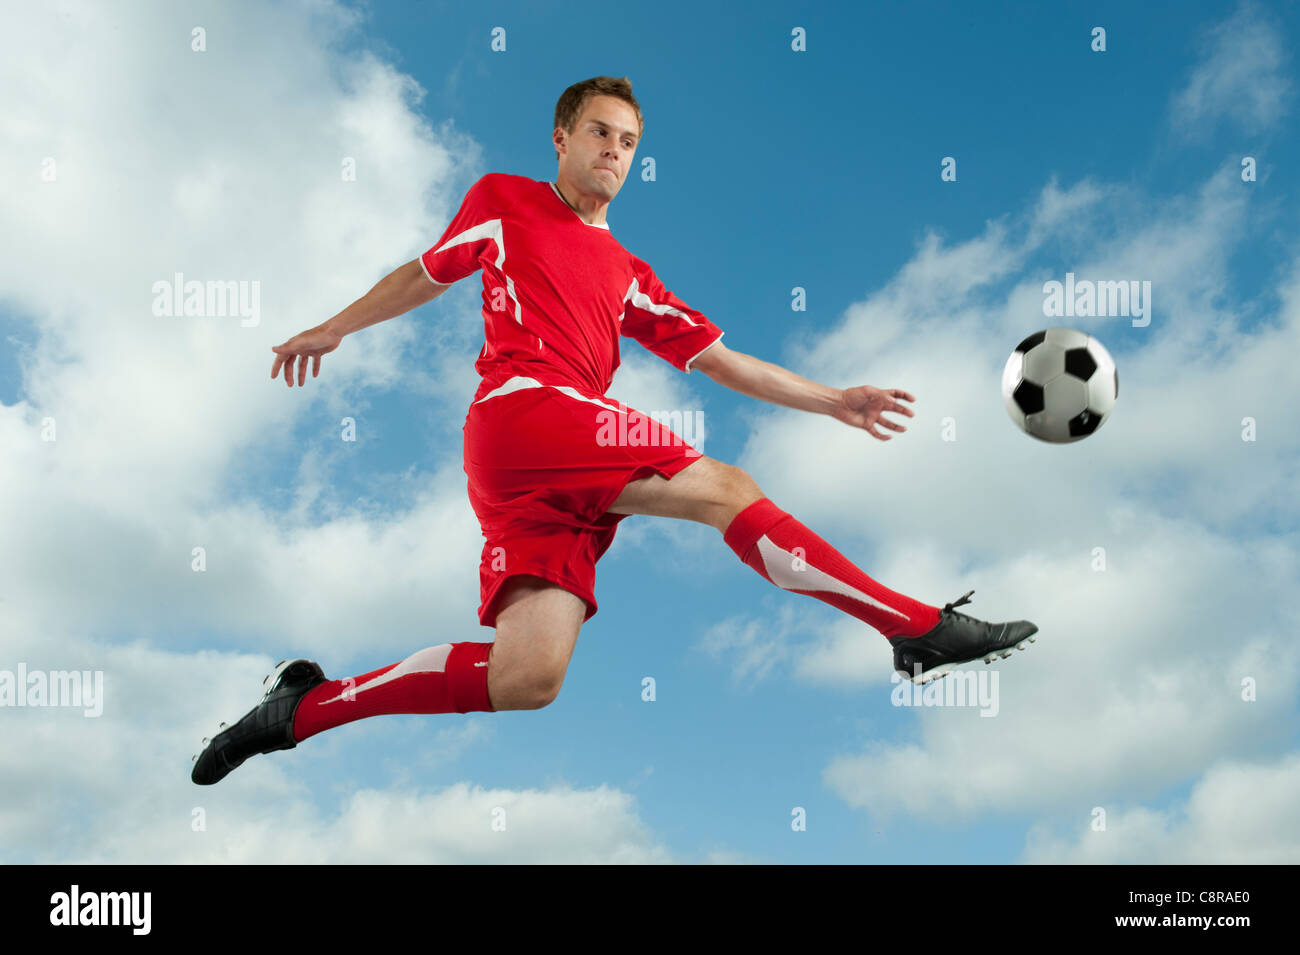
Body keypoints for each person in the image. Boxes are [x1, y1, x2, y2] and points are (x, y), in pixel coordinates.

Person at [192, 76, 1036, 786]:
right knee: (728, 490)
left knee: (528, 676)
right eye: (598, 131)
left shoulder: (629, 273)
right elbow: (425, 271)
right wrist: (334, 327)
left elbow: (722, 359)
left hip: (545, 475)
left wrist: (832, 400)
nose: (613, 150)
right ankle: (912, 628)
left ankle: (300, 708)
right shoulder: (504, 202)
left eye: (628, 141)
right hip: (524, 412)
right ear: (560, 137)